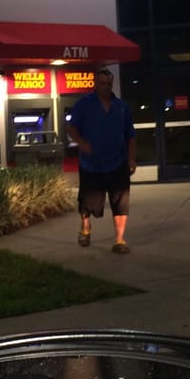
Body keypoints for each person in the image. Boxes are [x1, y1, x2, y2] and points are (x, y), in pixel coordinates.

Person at [66, 67, 137, 253]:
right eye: (103, 83)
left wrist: (131, 159)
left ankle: (119, 240)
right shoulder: (83, 104)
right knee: (87, 203)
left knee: (121, 203)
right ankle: (85, 227)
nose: (106, 87)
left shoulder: (121, 107)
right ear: (95, 84)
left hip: (118, 163)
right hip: (91, 165)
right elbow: (71, 128)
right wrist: (82, 143)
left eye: (109, 84)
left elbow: (131, 135)